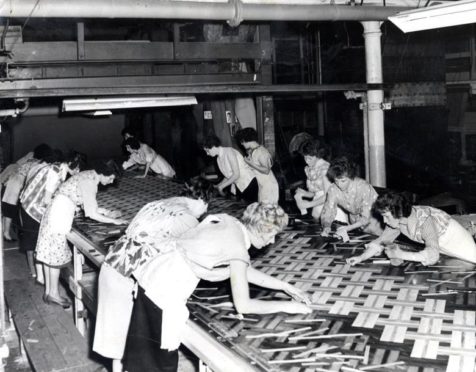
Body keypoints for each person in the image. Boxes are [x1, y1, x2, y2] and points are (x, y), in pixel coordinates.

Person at [123, 202, 312, 372]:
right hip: (164, 292)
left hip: (154, 273)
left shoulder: (230, 223)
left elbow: (243, 270)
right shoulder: (238, 248)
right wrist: (287, 306)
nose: (272, 242)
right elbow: (244, 305)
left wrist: (286, 287)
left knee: (143, 357)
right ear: (262, 228)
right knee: (159, 362)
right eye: (272, 235)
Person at [93, 196, 208, 372]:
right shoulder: (188, 218)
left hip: (114, 261)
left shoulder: (159, 204)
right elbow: (193, 250)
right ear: (202, 201)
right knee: (128, 336)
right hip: (130, 273)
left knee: (118, 335)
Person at [35, 163, 127, 308]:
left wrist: (107, 213)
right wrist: (115, 221)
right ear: (103, 173)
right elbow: (91, 213)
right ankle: (53, 294)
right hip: (60, 214)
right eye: (111, 178)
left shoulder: (89, 173)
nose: (111, 182)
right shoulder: (90, 182)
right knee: (55, 256)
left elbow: (86, 203)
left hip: (55, 210)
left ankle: (48, 293)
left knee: (49, 255)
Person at [347, 191, 476, 266]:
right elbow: (380, 240)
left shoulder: (425, 220)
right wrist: (361, 258)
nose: (384, 221)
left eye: (386, 216)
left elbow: (432, 256)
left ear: (398, 212)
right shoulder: (398, 221)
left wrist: (401, 254)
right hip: (442, 247)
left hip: (460, 244)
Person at [18, 150, 75, 281]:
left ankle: (39, 275)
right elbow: (46, 200)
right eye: (77, 168)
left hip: (28, 205)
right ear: (70, 163)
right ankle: (40, 276)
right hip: (31, 209)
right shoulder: (55, 172)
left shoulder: (50, 168)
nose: (78, 171)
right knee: (38, 242)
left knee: (36, 242)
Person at [321, 156, 381, 241]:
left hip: (374, 222)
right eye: (336, 181)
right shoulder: (333, 189)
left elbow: (366, 217)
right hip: (354, 223)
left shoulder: (363, 186)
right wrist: (326, 226)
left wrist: (348, 228)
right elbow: (328, 210)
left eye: (343, 181)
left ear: (351, 176)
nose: (339, 185)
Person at [1, 144, 52, 240]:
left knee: (9, 209)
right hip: (18, 184)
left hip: (12, 182)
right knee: (11, 210)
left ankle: (6, 232)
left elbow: (16, 165)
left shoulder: (29, 159)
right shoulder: (39, 164)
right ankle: (6, 234)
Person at [294, 139, 347, 221]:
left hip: (332, 210)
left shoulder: (325, 168)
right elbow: (316, 192)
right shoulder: (310, 169)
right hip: (318, 208)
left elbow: (328, 195)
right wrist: (305, 193)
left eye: (310, 158)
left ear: (317, 155)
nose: (307, 161)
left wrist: (308, 204)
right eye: (305, 158)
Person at [203, 135, 258, 203]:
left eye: (208, 151)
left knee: (250, 208)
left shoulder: (229, 152)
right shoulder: (218, 159)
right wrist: (218, 185)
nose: (207, 154)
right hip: (239, 186)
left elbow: (236, 174)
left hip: (249, 183)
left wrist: (222, 186)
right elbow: (228, 176)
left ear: (213, 146)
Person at [235, 128, 279, 204]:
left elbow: (266, 170)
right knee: (262, 211)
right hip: (262, 185)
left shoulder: (262, 151)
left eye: (242, 141)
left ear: (246, 139)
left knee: (268, 212)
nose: (241, 144)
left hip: (269, 186)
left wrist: (251, 164)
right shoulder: (254, 151)